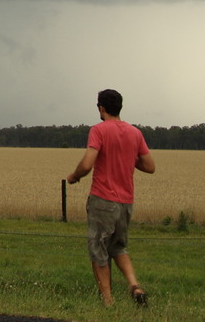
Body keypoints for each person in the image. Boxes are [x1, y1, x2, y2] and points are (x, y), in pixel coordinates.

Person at [66, 88, 156, 307]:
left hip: (103, 200)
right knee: (118, 247)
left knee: (98, 249)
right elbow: (150, 166)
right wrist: (126, 156)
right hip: (126, 202)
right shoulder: (135, 133)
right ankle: (135, 286)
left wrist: (74, 176)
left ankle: (107, 300)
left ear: (101, 108)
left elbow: (87, 164)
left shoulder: (99, 130)